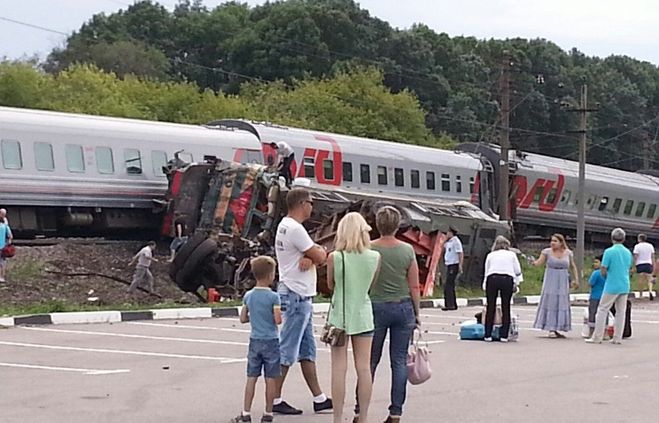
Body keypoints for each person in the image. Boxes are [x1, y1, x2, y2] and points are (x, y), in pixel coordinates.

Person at [356, 205, 420, 423]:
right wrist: (417, 312)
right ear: (398, 225)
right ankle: (395, 413)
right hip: (402, 307)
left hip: (374, 308)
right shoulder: (407, 250)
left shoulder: (368, 248)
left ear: (376, 224)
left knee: (369, 362)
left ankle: (360, 411)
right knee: (399, 361)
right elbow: (414, 286)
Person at [273, 187, 332, 415]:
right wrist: (316, 253)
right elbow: (321, 256)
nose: (312, 206)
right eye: (310, 202)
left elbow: (313, 254)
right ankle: (274, 400)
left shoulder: (285, 226)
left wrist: (311, 255)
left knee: (307, 350)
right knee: (287, 351)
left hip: (299, 293)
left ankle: (319, 398)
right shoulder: (296, 229)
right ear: (301, 204)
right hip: (296, 294)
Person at [326, 212, 380, 423]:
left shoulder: (335, 257)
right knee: (364, 368)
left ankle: (337, 418)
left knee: (338, 369)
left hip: (340, 316)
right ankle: (363, 417)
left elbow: (331, 285)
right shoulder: (375, 257)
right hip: (364, 314)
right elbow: (371, 286)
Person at [232, 256, 282, 423]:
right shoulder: (274, 297)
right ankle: (268, 413)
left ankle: (246, 412)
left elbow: (243, 318)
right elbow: (277, 320)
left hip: (255, 340)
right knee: (271, 378)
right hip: (271, 341)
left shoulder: (248, 295)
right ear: (270, 275)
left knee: (251, 377)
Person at [586, 228, 634, 344]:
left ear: (612, 238)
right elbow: (629, 268)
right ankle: (617, 338)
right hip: (624, 284)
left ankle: (597, 337)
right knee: (620, 312)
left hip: (612, 284)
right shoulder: (627, 252)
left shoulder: (609, 252)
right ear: (623, 239)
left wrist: (607, 277)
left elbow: (603, 269)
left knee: (602, 309)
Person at [532, 234, 579, 338]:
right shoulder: (546, 252)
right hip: (551, 279)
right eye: (551, 241)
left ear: (561, 243)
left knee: (561, 302)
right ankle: (550, 328)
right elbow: (539, 262)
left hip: (563, 280)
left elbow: (572, 266)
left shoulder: (568, 253)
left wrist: (576, 279)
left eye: (555, 241)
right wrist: (533, 263)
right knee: (551, 302)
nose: (552, 243)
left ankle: (559, 327)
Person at [482, 235, 522, 342]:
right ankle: (504, 335)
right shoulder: (512, 255)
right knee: (506, 306)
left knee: (491, 306)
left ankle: (487, 335)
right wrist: (516, 283)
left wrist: (485, 284)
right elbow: (517, 271)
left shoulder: (490, 255)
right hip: (506, 278)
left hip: (492, 278)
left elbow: (487, 270)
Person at [441, 226, 463, 311]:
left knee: (448, 285)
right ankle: (452, 304)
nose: (446, 234)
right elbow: (442, 248)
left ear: (451, 233)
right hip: (449, 264)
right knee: (450, 285)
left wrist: (460, 265)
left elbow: (460, 254)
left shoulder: (456, 241)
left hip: (454, 265)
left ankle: (450, 304)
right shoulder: (449, 242)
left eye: (448, 233)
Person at [587, 255, 606, 337]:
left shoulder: (596, 273)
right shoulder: (608, 273)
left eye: (596, 262)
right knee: (604, 313)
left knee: (592, 313)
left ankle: (592, 331)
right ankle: (605, 331)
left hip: (594, 296)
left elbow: (590, 283)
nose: (594, 264)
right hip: (605, 296)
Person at [633, 234, 655, 300]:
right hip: (648, 263)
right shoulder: (650, 245)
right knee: (649, 279)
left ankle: (640, 294)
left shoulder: (637, 246)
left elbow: (636, 256)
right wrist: (653, 264)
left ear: (639, 239)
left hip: (640, 264)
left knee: (641, 280)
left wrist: (634, 264)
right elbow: (652, 256)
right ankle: (650, 291)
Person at [0, 212, 13, 283]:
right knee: (2, 263)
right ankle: (1, 277)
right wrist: (7, 243)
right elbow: (10, 237)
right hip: (3, 247)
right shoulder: (5, 227)